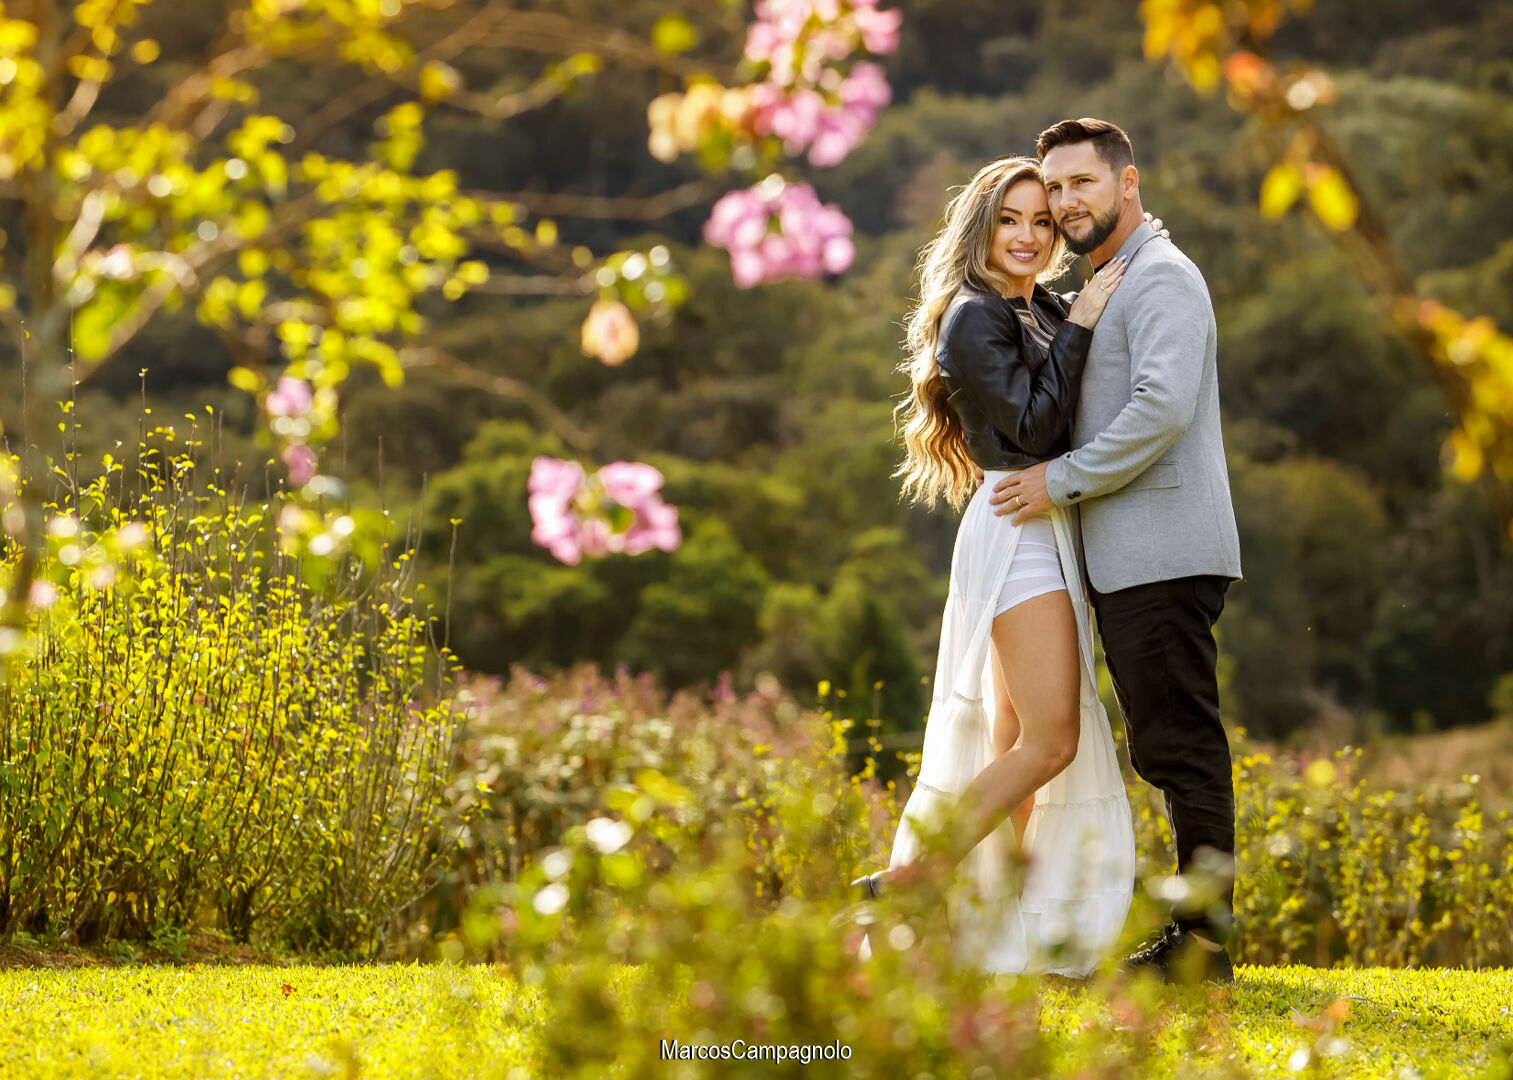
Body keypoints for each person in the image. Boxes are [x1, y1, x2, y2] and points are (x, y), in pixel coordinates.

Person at [851, 155, 1139, 977]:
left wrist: (1074, 317)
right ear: (980, 227)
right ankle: (908, 883)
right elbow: (1038, 426)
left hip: (1047, 524)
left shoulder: (1040, 305)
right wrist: (1085, 318)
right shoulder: (974, 317)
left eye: (1040, 222)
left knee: (1012, 738)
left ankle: (985, 926)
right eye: (1009, 219)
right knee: (1049, 741)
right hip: (1017, 525)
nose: (1026, 236)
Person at [990, 118, 1243, 983]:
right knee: (1165, 744)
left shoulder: (1163, 277)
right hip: (1132, 554)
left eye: (1081, 185)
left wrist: (1056, 481)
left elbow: (1160, 410)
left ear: (1126, 183)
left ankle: (1204, 946)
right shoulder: (1109, 279)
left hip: (1165, 547)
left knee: (1181, 744)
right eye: (1053, 188)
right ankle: (1197, 936)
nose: (1063, 205)